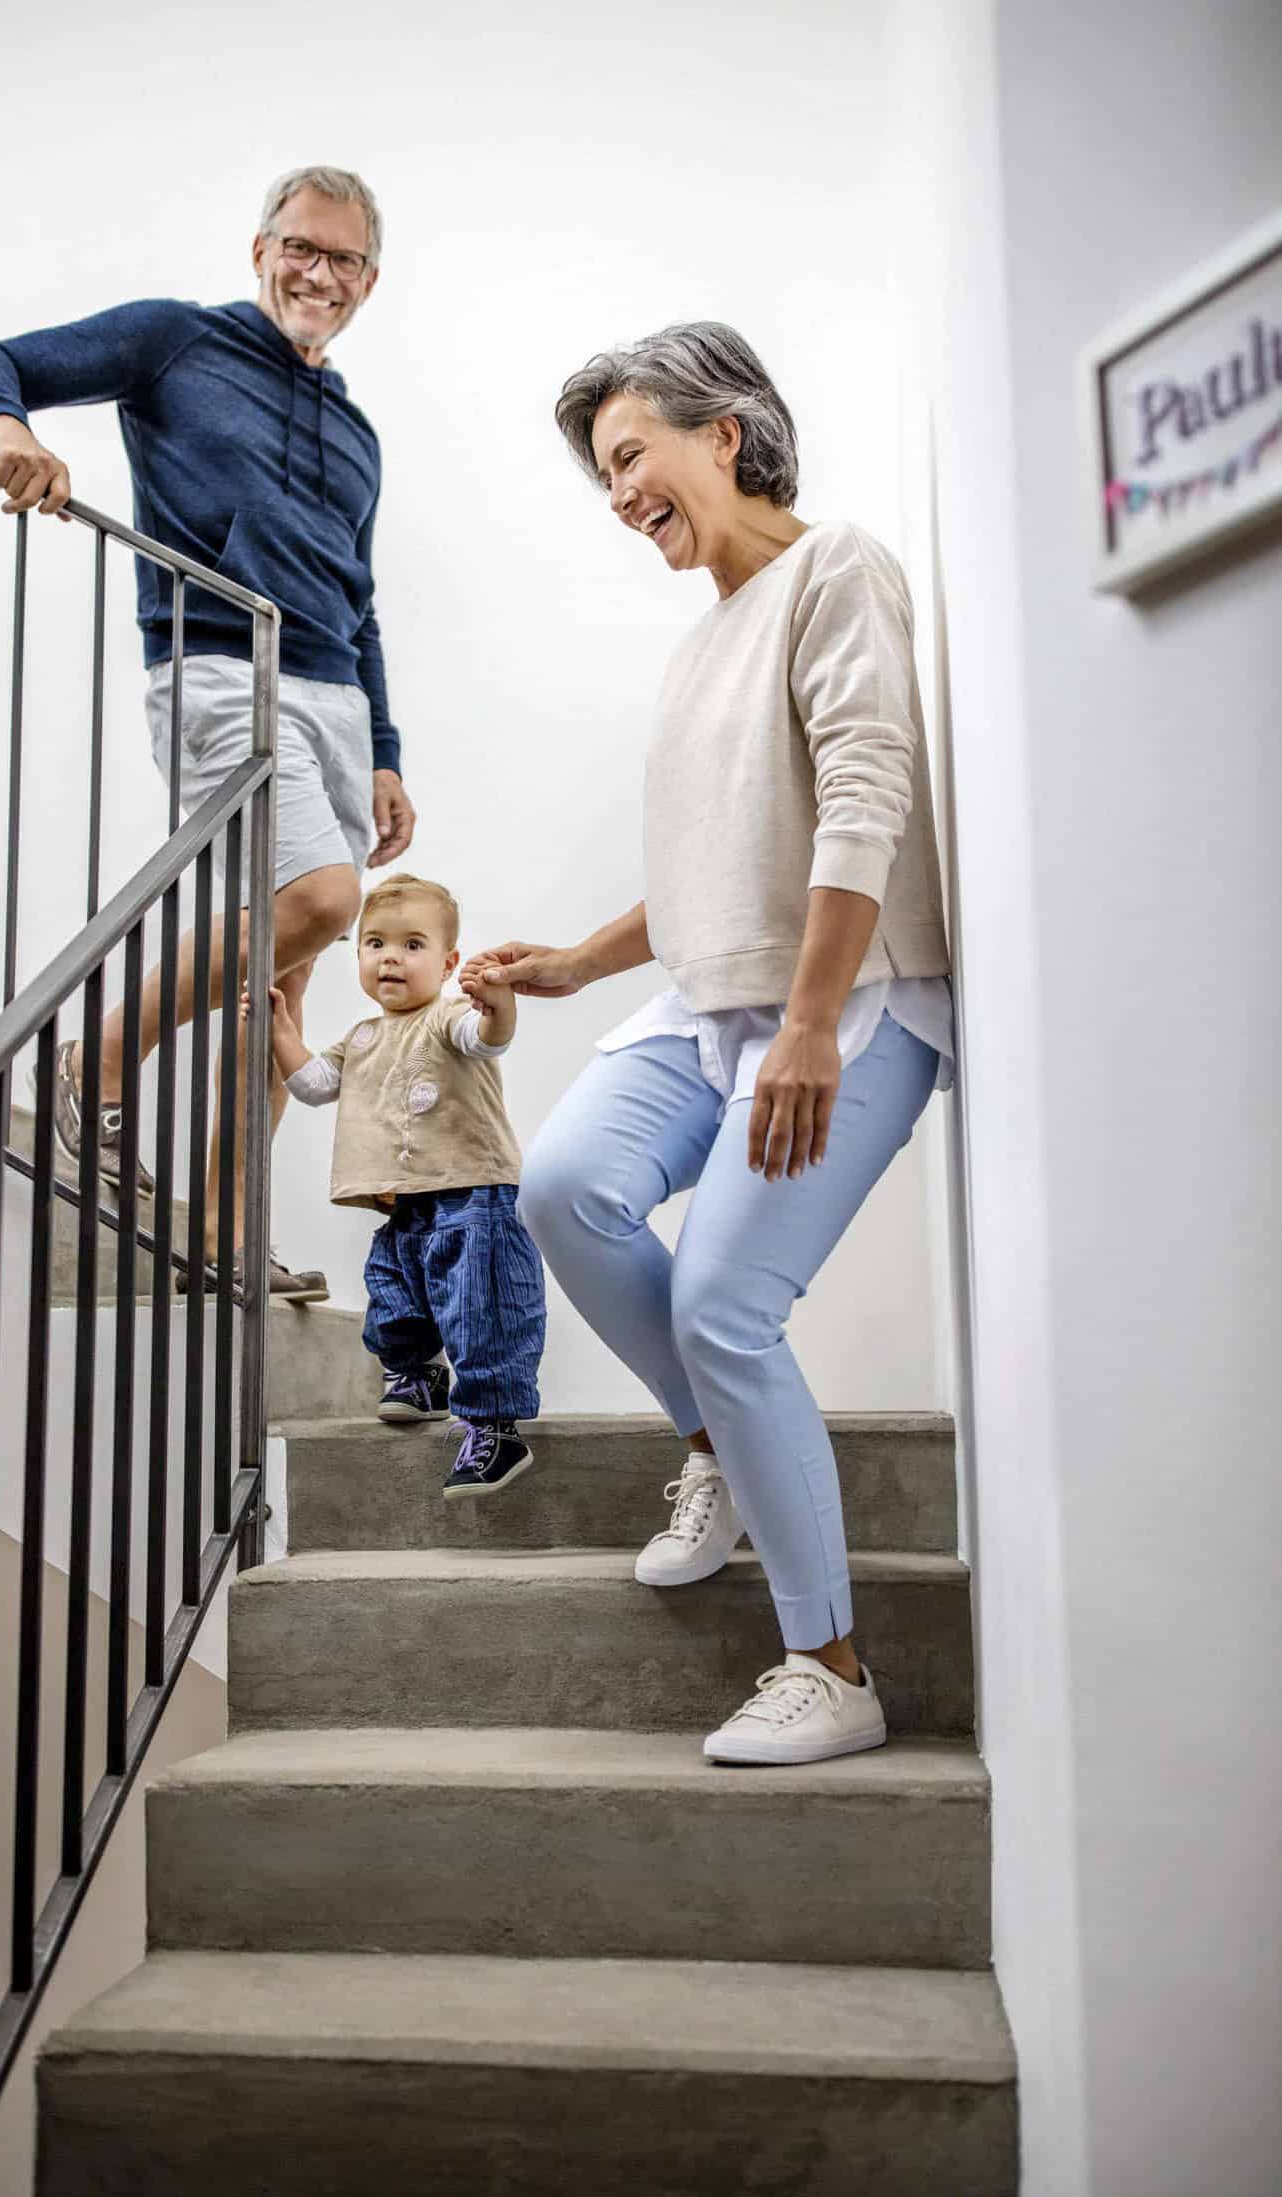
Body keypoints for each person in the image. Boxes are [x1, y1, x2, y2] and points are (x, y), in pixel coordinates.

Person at [464, 322, 953, 1766]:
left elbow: (868, 794)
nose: (618, 494)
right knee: (559, 1187)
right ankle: (715, 1453)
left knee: (722, 1310)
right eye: (602, 476)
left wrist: (810, 1024)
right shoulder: (695, 650)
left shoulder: (837, 567)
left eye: (629, 457)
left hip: (852, 1002)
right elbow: (699, 879)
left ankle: (830, 1669)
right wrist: (567, 964)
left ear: (720, 433)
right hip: (704, 1002)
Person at [0, 165, 417, 1300]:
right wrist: (10, 432)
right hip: (219, 663)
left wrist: (388, 748)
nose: (320, 273)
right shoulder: (174, 342)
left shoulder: (358, 430)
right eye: (300, 247)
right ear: (261, 250)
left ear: (370, 281)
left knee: (283, 988)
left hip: (336, 701)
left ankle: (221, 1231)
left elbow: (359, 596)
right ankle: (97, 1050)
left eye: (344, 259)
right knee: (322, 902)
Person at [255, 872, 547, 1498]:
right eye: (376, 943)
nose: (391, 957)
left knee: (480, 1307)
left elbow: (486, 1038)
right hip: (404, 1205)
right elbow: (311, 1086)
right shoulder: (361, 1037)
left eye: (413, 945)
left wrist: (498, 1006)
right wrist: (280, 1028)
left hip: (473, 1195)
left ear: (446, 964)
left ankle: (496, 1427)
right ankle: (418, 1377)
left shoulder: (447, 1019)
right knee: (394, 1297)